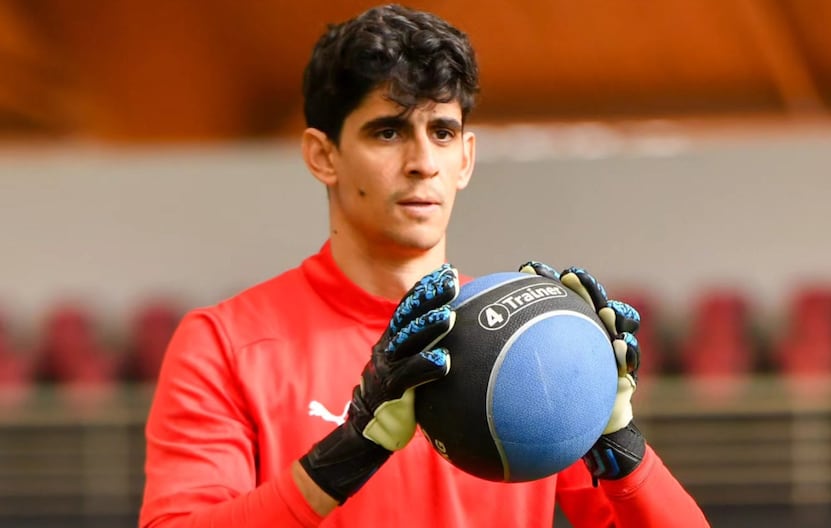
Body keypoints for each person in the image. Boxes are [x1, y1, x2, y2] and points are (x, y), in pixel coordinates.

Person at [139, 4, 710, 527]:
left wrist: (618, 442)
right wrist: (348, 454)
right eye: (388, 132)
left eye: (442, 132)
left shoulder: (521, 345)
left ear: (466, 158)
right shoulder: (224, 344)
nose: (422, 162)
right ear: (323, 155)